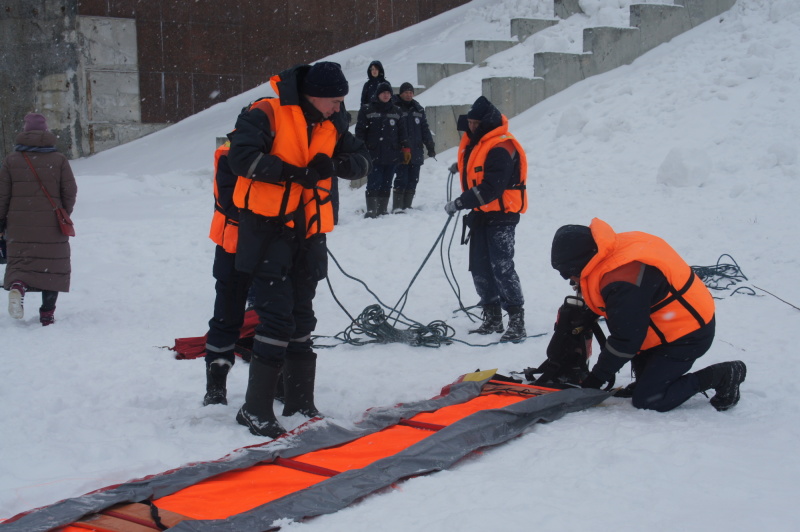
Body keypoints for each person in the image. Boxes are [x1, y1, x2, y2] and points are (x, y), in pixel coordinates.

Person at [227, 61, 371, 437]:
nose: (338, 108)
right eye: (334, 101)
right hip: (267, 231)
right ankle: (254, 409)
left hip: (309, 233)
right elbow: (240, 158)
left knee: (302, 317)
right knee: (276, 320)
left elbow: (362, 159)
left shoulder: (333, 122)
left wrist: (337, 163)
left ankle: (299, 400)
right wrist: (293, 172)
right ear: (313, 95)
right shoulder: (266, 112)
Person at [550, 218, 747, 412]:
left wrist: (596, 380)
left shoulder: (622, 280)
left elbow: (626, 339)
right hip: (667, 323)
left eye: (568, 273)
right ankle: (652, 378)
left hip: (688, 334)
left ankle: (723, 374)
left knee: (650, 399)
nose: (568, 279)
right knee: (645, 380)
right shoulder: (611, 249)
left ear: (581, 263)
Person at [444, 96, 527, 343]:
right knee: (479, 267)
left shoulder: (502, 146)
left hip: (503, 215)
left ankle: (516, 320)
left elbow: (492, 186)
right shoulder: (480, 142)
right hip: (481, 215)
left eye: (474, 123)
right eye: (468, 122)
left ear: (485, 122)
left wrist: (460, 202)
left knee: (501, 267)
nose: (470, 127)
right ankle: (492, 318)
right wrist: (461, 166)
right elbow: (479, 166)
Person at [0, 113, 77, 326]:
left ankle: (17, 287)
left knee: (20, 264)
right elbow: (69, 191)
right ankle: (47, 313)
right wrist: (63, 212)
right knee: (52, 268)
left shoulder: (11, 160)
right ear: (46, 133)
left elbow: (2, 195)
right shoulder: (58, 159)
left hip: (18, 225)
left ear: (24, 131)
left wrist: (1, 220)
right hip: (52, 223)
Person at [202, 139, 253, 406]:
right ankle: (216, 385)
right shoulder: (229, 151)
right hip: (232, 245)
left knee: (271, 316)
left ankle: (273, 383)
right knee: (226, 316)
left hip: (272, 248)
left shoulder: (280, 146)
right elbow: (230, 201)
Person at [356, 81, 409, 218]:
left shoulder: (396, 111)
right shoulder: (367, 110)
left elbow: (402, 132)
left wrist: (405, 148)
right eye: (383, 93)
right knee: (374, 181)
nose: (386, 95)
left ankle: (382, 209)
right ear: (378, 94)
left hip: (392, 153)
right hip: (373, 153)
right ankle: (372, 210)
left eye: (388, 93)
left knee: (387, 182)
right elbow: (360, 132)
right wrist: (361, 149)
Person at [392, 82, 435, 212]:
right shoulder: (395, 107)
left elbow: (425, 129)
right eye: (406, 92)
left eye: (410, 92)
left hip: (416, 150)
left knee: (413, 179)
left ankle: (407, 205)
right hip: (401, 150)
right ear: (401, 93)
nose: (408, 95)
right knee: (401, 178)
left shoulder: (418, 109)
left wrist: (430, 145)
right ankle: (398, 206)